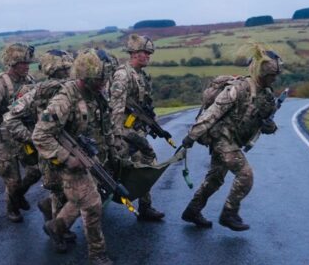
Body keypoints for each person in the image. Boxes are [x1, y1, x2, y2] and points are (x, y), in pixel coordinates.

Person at [32, 49, 120, 265]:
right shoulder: (65, 98)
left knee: (86, 199)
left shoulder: (96, 95)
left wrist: (111, 149)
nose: (105, 83)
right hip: (66, 161)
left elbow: (103, 125)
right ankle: (97, 254)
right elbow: (40, 135)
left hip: (87, 156)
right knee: (92, 205)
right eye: (101, 79)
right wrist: (67, 158)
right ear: (87, 75)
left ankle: (56, 226)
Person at [179, 45, 283, 231]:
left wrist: (270, 127)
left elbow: (267, 124)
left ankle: (192, 210)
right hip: (222, 138)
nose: (274, 79)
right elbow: (212, 113)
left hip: (234, 141)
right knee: (245, 175)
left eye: (276, 75)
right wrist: (191, 136)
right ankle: (229, 213)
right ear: (261, 72)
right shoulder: (238, 88)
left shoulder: (267, 96)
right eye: (271, 75)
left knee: (215, 179)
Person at [2, 49, 74, 230]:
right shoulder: (37, 91)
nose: (67, 73)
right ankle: (58, 230)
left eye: (68, 69)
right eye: (63, 70)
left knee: (73, 188)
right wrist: (33, 139)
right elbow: (10, 117)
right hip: (49, 150)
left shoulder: (72, 88)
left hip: (72, 145)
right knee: (58, 189)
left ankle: (53, 217)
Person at [0, 43, 40, 223]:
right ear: (12, 63)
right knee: (12, 181)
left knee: (36, 171)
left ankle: (18, 195)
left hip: (23, 136)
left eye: (28, 62)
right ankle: (12, 207)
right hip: (4, 141)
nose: (27, 65)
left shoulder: (30, 81)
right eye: (23, 62)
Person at [108, 34, 166, 221]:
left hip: (136, 132)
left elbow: (146, 105)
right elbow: (116, 108)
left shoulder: (141, 76)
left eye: (149, 53)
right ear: (133, 53)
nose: (148, 56)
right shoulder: (122, 75)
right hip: (123, 133)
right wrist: (116, 137)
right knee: (110, 170)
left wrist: (154, 123)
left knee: (147, 165)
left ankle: (145, 207)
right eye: (144, 52)